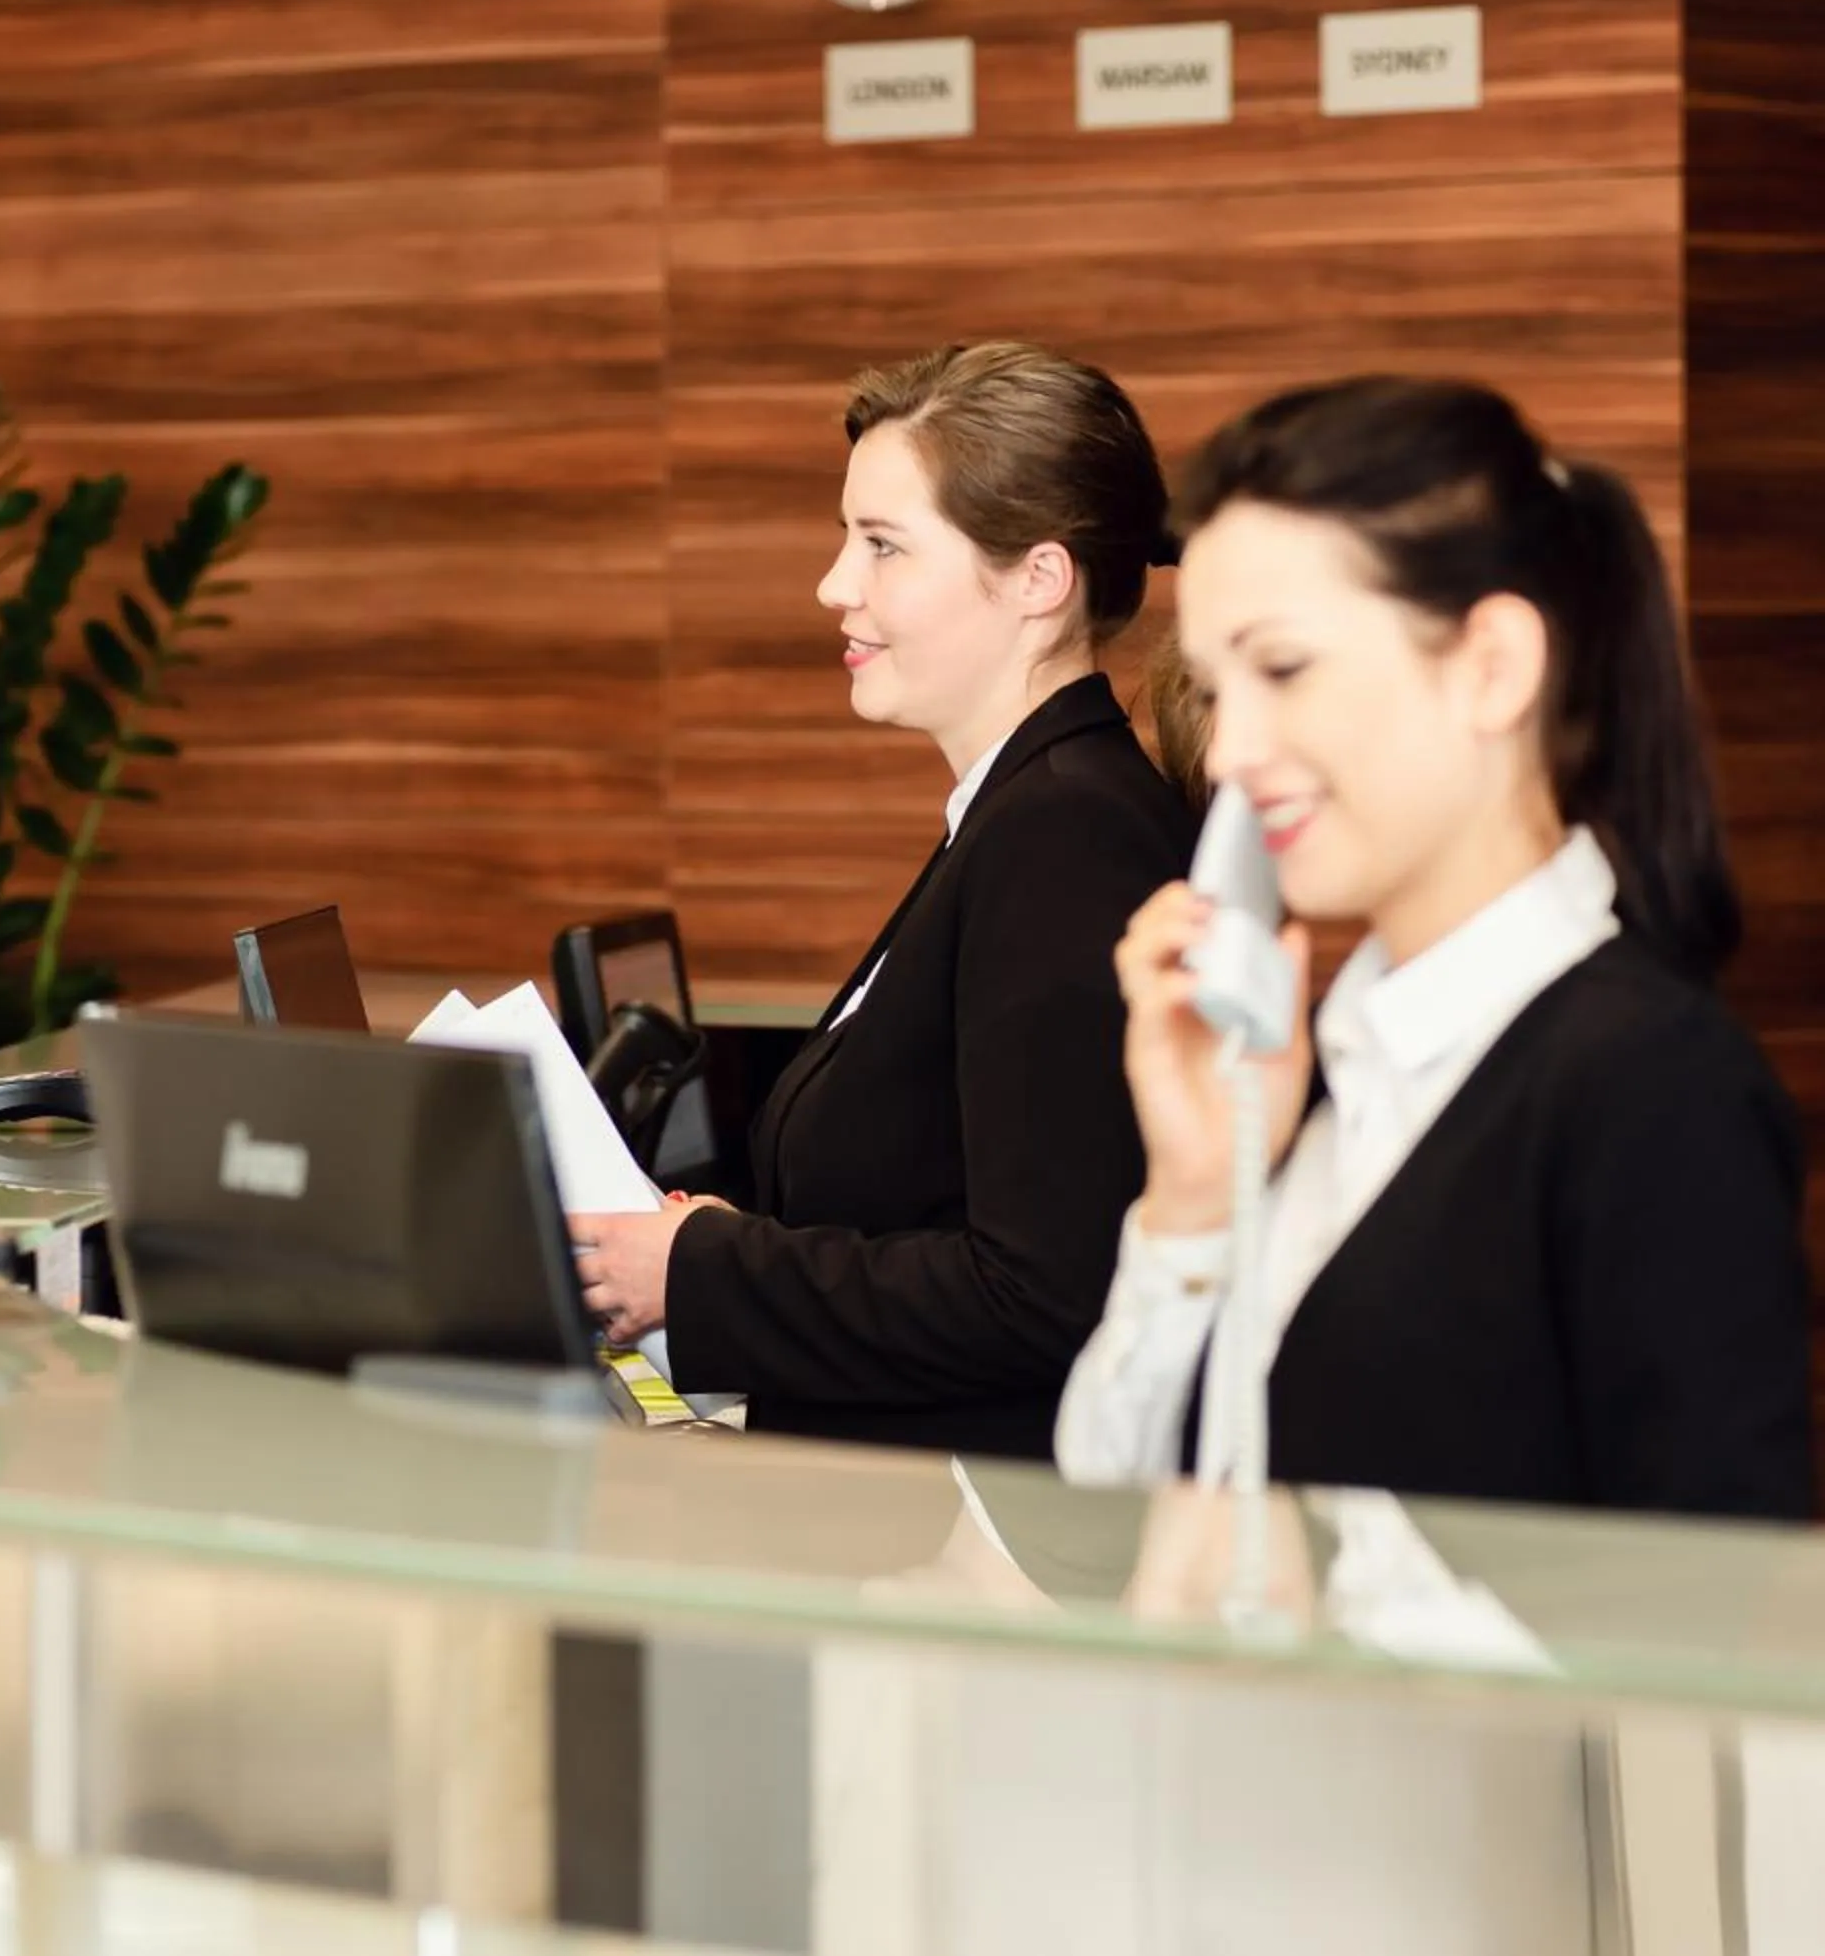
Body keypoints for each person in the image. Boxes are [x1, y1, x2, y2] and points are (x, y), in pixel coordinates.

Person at [1056, 374, 1815, 1520]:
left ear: (1492, 665)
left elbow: (1709, 1623)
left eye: (1285, 669)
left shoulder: (1651, 1085)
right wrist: (1193, 1203)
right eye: (1217, 687)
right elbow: (1105, 1517)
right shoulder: (1341, 1063)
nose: (1231, 751)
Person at [573, 341, 1201, 1459]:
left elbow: (1044, 1292)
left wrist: (704, 1270)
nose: (835, 586)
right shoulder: (1018, 811)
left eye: (883, 547)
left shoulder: (1066, 833)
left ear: (1038, 582)